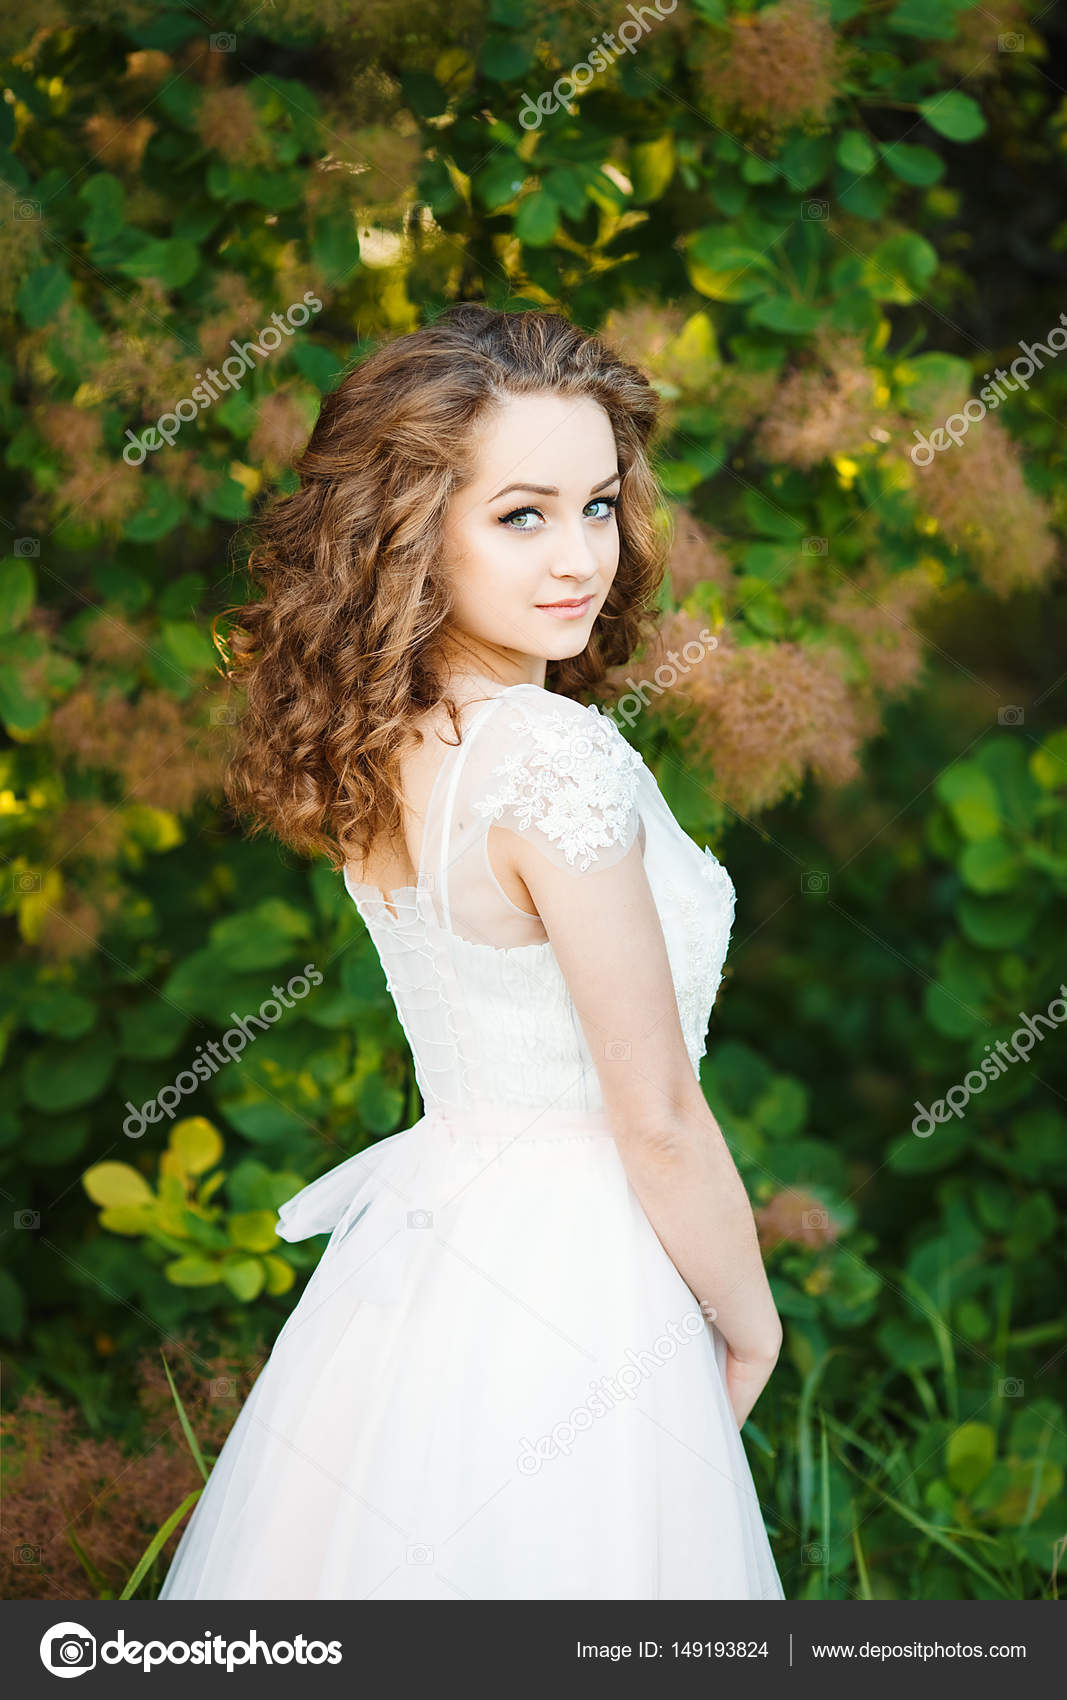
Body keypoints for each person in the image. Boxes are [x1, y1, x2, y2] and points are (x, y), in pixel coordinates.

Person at [158, 303, 785, 1601]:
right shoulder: (550, 756)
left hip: (432, 1256)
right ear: (414, 526)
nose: (580, 559)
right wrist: (751, 1321)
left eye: (599, 506)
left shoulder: (384, 740)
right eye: (523, 514)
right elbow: (657, 1112)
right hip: (580, 1267)